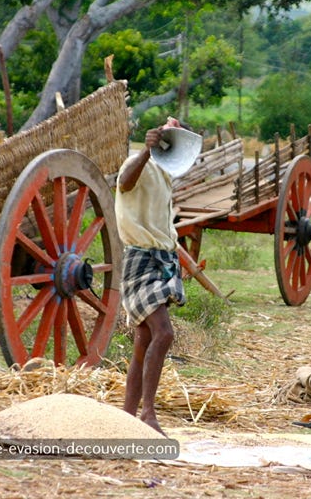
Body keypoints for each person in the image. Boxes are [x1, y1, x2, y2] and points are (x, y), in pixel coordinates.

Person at [116, 116, 187, 436]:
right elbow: (125, 183)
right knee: (164, 333)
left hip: (163, 259)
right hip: (140, 258)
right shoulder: (137, 163)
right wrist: (146, 151)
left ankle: (128, 416)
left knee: (145, 339)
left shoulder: (167, 174)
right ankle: (148, 413)